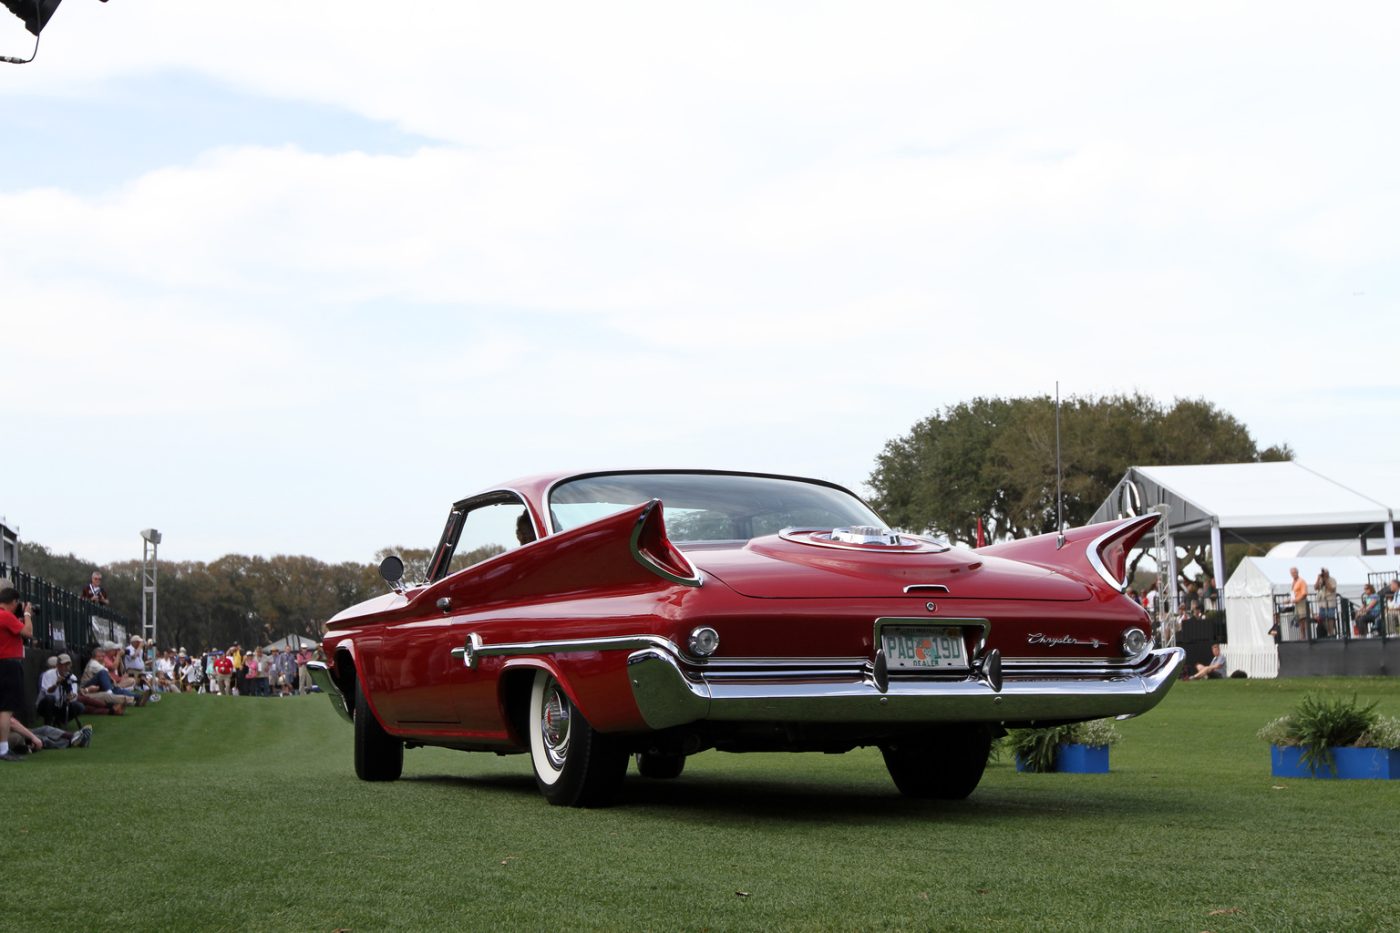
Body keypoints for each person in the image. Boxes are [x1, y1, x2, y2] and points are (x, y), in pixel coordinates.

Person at [0, 587, 36, 761]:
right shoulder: (5, 615)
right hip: (8, 664)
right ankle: (3, 749)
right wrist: (28, 616)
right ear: (13, 602)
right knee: (6, 709)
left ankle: (3, 747)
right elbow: (28, 633)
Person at [37, 654, 84, 727]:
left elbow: (73, 696)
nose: (66, 667)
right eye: (63, 665)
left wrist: (71, 696)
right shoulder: (48, 674)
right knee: (50, 699)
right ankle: (48, 725)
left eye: (68, 664)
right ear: (58, 665)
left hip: (61, 705)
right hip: (46, 705)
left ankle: (60, 720)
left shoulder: (72, 677)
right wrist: (56, 684)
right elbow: (48, 692)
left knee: (79, 706)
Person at [1314, 569, 1338, 638]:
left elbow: (1332, 589)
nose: (1323, 575)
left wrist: (1326, 580)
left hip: (1330, 603)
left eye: (1324, 573)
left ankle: (1331, 634)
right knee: (1322, 619)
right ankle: (1325, 635)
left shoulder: (1332, 580)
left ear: (1328, 573)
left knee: (1330, 618)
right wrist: (1318, 579)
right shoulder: (1320, 580)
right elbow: (1315, 588)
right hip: (1322, 604)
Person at [1289, 567, 1309, 638]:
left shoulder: (1301, 581)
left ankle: (1304, 636)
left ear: (1297, 573)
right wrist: (1289, 600)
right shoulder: (1294, 582)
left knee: (1303, 619)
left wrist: (1297, 600)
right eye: (1292, 573)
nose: (1293, 574)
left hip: (1302, 602)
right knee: (1300, 620)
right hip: (1297, 603)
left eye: (1295, 572)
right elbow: (1293, 593)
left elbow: (1304, 594)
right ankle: (1302, 636)